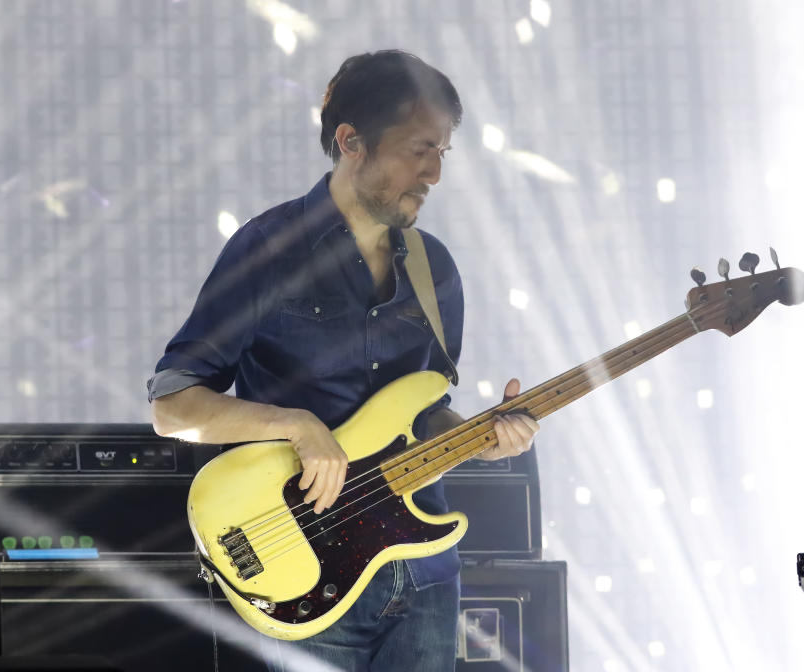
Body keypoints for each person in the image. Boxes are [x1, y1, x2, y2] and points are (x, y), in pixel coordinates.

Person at [148, 50, 540, 672]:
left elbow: (426, 410)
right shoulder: (268, 250)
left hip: (425, 573)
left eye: (443, 152)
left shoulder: (434, 267)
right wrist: (297, 427)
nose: (434, 173)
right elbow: (173, 406)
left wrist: (481, 438)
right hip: (302, 575)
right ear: (350, 140)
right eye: (418, 149)